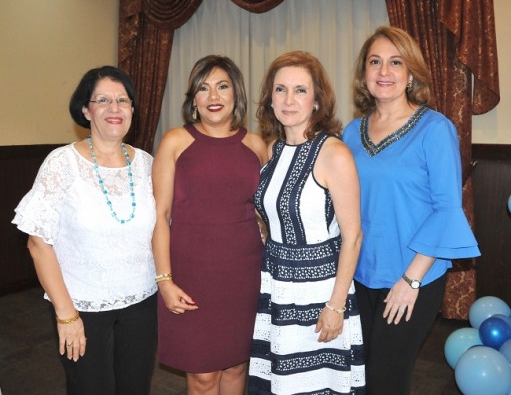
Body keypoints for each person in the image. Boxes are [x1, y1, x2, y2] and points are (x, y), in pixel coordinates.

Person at [342, 26, 481, 395]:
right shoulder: (351, 133)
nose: (384, 71)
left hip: (410, 278)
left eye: (395, 62)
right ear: (364, 73)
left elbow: (447, 210)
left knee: (387, 380)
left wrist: (411, 280)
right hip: (360, 274)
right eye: (375, 62)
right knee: (360, 377)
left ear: (410, 74)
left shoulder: (436, 129)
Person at [11, 66, 158, 394]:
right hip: (82, 307)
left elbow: (166, 227)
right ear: (85, 109)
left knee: (135, 388)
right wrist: (66, 315)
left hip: (142, 303)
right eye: (103, 100)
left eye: (123, 100)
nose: (115, 108)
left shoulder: (148, 164)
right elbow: (38, 242)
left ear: (133, 109)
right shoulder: (61, 163)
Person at [248, 51, 366, 394]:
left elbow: (353, 236)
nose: (288, 99)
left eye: (300, 90)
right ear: (270, 98)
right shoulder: (272, 150)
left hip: (321, 289)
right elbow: (274, 212)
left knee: (318, 383)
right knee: (282, 382)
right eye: (280, 89)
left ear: (317, 101)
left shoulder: (333, 153)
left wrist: (336, 305)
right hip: (278, 284)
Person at [152, 55, 267, 395]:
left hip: (244, 274)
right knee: (202, 378)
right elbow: (159, 216)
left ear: (236, 94)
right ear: (194, 99)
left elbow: (266, 209)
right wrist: (164, 280)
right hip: (191, 274)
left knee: (236, 368)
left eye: (222, 86)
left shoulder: (256, 145)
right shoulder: (175, 141)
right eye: (204, 88)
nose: (214, 97)